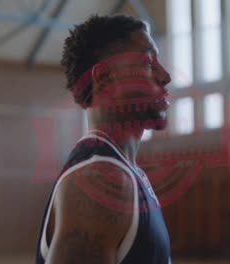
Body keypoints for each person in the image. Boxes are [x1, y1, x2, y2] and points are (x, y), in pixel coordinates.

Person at [36, 14, 172, 264]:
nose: (165, 76)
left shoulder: (126, 173)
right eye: (149, 63)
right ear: (105, 78)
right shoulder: (100, 180)